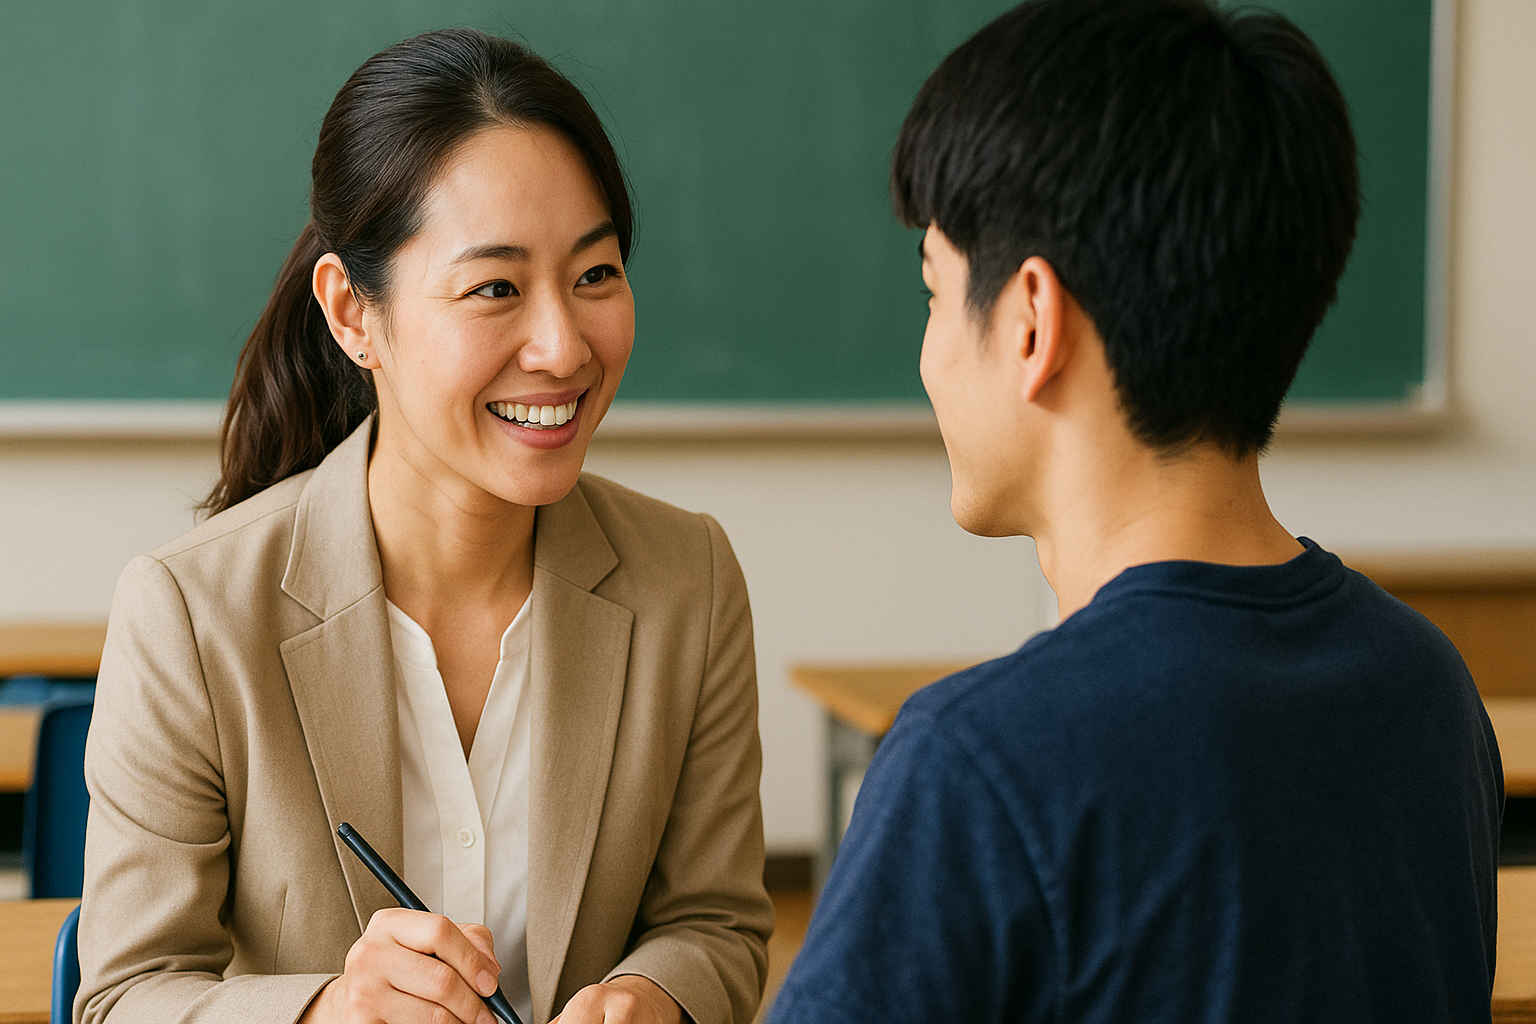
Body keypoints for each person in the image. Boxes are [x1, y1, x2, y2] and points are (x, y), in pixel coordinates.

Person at [767, 1, 1500, 1022]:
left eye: (933, 292)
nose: (927, 355)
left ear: (1032, 319)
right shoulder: (1427, 689)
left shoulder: (978, 765)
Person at [78, 28, 771, 1024]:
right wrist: (326, 1013)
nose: (563, 344)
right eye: (495, 287)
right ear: (354, 314)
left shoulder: (687, 579)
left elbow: (718, 921)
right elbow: (124, 996)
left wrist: (650, 997)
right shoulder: (190, 612)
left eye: (596, 274)